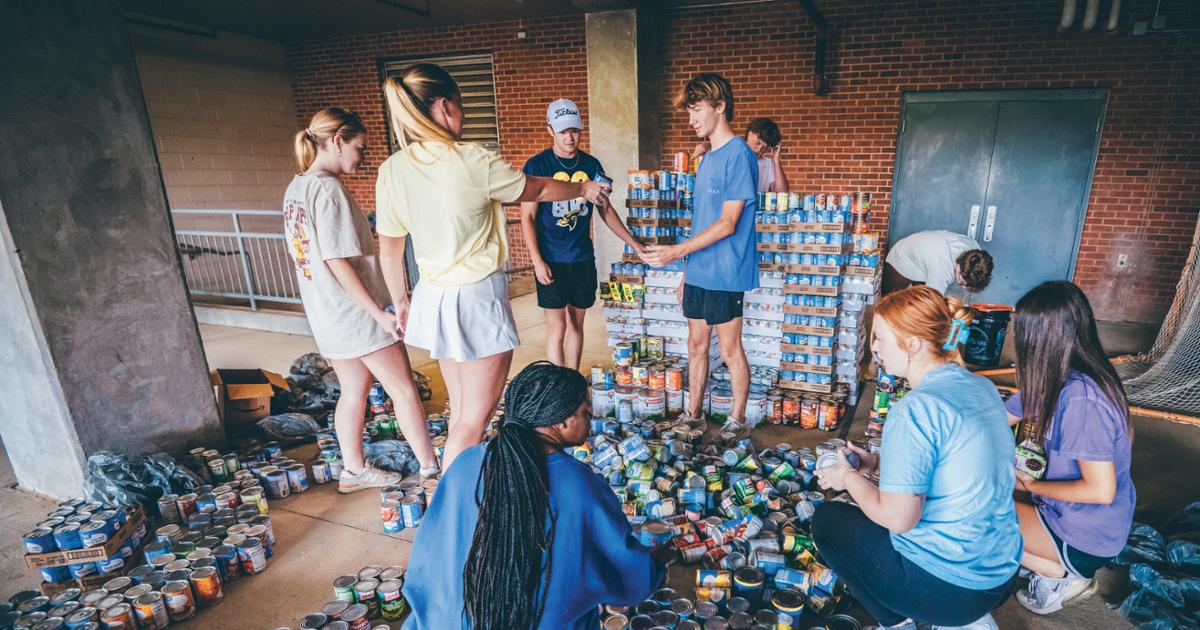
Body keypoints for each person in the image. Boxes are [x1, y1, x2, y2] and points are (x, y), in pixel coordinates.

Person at [376, 64, 612, 472]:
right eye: (461, 106)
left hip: (433, 296)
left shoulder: (393, 169)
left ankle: (459, 490)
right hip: (475, 299)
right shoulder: (471, 160)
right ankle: (455, 501)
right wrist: (583, 188)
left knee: (460, 412)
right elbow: (537, 188)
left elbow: (389, 250)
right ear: (446, 106)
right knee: (474, 421)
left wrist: (401, 301)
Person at [812, 286, 1022, 630]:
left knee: (828, 521)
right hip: (1001, 576)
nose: (874, 348)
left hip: (949, 590)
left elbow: (898, 519)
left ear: (911, 344)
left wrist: (847, 478)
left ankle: (901, 622)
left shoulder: (915, 410)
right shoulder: (979, 387)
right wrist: (877, 466)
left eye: (880, 338)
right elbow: (958, 467)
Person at [401, 361, 668, 629]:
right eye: (585, 413)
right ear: (562, 421)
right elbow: (626, 574)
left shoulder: (466, 463)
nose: (591, 420)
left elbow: (428, 557)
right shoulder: (581, 485)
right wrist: (657, 562)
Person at [283, 107, 439, 491]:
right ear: (338, 141)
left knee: (354, 391)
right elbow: (336, 260)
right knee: (402, 388)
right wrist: (378, 313)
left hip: (327, 312)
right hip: (357, 313)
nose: (363, 156)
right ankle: (431, 469)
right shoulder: (328, 189)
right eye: (360, 147)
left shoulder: (297, 187)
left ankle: (353, 470)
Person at [1005, 281, 1135, 614]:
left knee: (972, 515)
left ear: (1039, 340)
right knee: (994, 485)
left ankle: (1061, 574)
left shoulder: (1083, 399)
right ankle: (1045, 560)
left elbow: (1100, 491)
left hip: (1085, 534)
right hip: (1067, 512)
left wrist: (1032, 486)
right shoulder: (1054, 376)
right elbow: (1001, 417)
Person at [644, 73, 759, 434]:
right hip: (700, 270)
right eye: (689, 112)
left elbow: (728, 223)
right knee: (696, 345)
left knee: (730, 349)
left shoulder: (739, 155)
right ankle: (693, 415)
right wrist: (686, 270)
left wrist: (676, 251)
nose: (691, 119)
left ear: (720, 106)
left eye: (696, 109)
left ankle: (737, 420)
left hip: (726, 271)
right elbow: (702, 221)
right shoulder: (707, 158)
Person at [520, 98, 647, 370]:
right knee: (557, 328)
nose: (570, 137)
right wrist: (537, 261)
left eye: (575, 131)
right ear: (550, 130)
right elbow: (527, 217)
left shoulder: (591, 165)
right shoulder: (537, 166)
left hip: (581, 258)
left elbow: (606, 210)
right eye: (563, 131)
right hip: (550, 259)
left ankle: (573, 377)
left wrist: (634, 243)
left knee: (577, 324)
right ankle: (559, 385)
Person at [883, 229, 993, 297]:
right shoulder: (942, 265)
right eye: (962, 282)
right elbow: (932, 302)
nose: (963, 285)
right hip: (901, 259)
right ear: (958, 265)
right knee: (894, 305)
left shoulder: (975, 252)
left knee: (919, 301)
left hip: (924, 259)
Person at [692, 117, 789, 193]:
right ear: (750, 134)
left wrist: (776, 162)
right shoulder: (733, 154)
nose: (759, 150)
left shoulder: (768, 165)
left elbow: (781, 194)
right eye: (758, 143)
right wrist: (706, 145)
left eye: (764, 148)